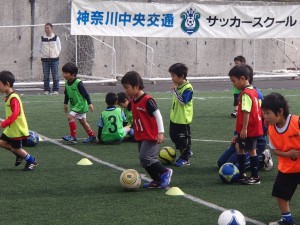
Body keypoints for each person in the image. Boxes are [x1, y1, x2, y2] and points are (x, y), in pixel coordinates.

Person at [121, 71, 172, 189]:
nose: (125, 91)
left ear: (136, 86)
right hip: (140, 135)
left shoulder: (148, 100)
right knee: (144, 161)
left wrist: (161, 132)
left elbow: (158, 115)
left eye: (127, 88)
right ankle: (157, 180)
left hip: (150, 134)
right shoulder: (133, 100)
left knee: (146, 157)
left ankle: (165, 171)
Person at [261, 93, 300, 225]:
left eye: (267, 113)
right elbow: (274, 150)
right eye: (263, 113)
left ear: (280, 112)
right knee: (280, 194)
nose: (265, 117)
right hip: (287, 169)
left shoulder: (297, 122)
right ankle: (287, 219)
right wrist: (288, 155)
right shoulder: (271, 129)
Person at [228, 64, 263, 185]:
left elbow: (246, 111)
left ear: (242, 78)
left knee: (251, 150)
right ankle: (242, 174)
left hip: (249, 129)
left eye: (234, 81)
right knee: (240, 148)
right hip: (253, 128)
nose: (233, 84)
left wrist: (243, 129)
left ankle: (254, 176)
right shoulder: (253, 91)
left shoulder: (245, 94)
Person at [0, 71, 38, 171]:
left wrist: (4, 123)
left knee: (16, 148)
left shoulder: (14, 97)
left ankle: (32, 161)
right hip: (11, 128)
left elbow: (15, 114)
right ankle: (19, 155)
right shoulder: (8, 96)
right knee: (1, 142)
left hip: (17, 128)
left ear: (7, 84)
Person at [61, 62, 96, 144]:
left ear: (73, 74)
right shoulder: (66, 83)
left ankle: (73, 137)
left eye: (66, 73)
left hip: (80, 105)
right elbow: (66, 94)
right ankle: (92, 136)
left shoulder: (78, 83)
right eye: (64, 73)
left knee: (70, 117)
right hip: (75, 105)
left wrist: (90, 103)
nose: (64, 75)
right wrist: (65, 104)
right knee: (83, 121)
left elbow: (86, 94)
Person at [168, 63, 194, 167]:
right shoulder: (178, 85)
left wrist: (175, 90)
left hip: (183, 120)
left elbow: (183, 101)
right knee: (173, 136)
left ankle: (185, 158)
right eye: (171, 76)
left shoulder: (188, 88)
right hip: (174, 118)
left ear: (182, 76)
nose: (172, 78)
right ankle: (187, 151)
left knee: (183, 139)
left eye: (174, 76)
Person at [39, 23, 61, 95]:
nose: (46, 29)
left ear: (52, 29)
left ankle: (55, 90)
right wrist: (42, 55)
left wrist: (56, 54)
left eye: (48, 28)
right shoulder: (42, 38)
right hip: (45, 60)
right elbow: (40, 48)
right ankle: (47, 90)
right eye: (45, 28)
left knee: (55, 75)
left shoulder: (56, 38)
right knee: (46, 75)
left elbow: (59, 47)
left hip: (54, 59)